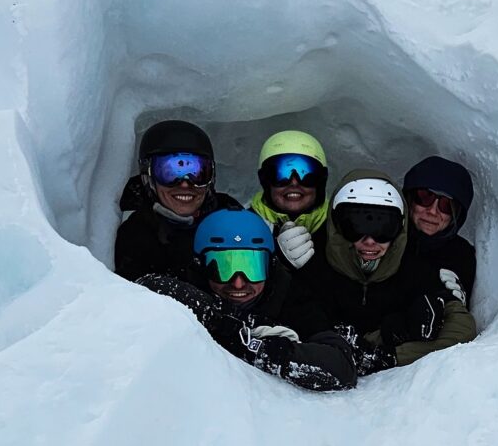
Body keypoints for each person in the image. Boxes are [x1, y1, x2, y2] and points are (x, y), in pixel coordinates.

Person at [137, 209, 356, 391]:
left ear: (270, 267)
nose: (239, 283)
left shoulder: (289, 296)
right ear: (200, 266)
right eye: (223, 267)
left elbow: (341, 368)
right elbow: (148, 285)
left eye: (252, 267)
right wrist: (222, 321)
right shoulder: (193, 286)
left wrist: (261, 348)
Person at [297, 169, 477, 375]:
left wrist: (387, 354)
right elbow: (291, 310)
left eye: (384, 229)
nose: (370, 241)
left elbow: (461, 327)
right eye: (355, 226)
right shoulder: (315, 257)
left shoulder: (414, 266)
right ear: (337, 225)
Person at [115, 120, 240, 282]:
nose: (185, 183)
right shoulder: (135, 236)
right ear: (148, 176)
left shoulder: (229, 215)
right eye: (169, 172)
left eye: (198, 173)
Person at [249, 130, 330, 271]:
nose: (294, 182)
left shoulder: (340, 229)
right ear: (266, 181)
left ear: (320, 181)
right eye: (281, 174)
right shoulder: (244, 226)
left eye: (306, 174)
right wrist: (276, 261)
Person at [402, 156, 477, 306]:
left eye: (446, 205)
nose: (432, 211)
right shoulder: (384, 239)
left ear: (456, 214)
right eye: (425, 197)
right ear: (410, 200)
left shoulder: (461, 256)